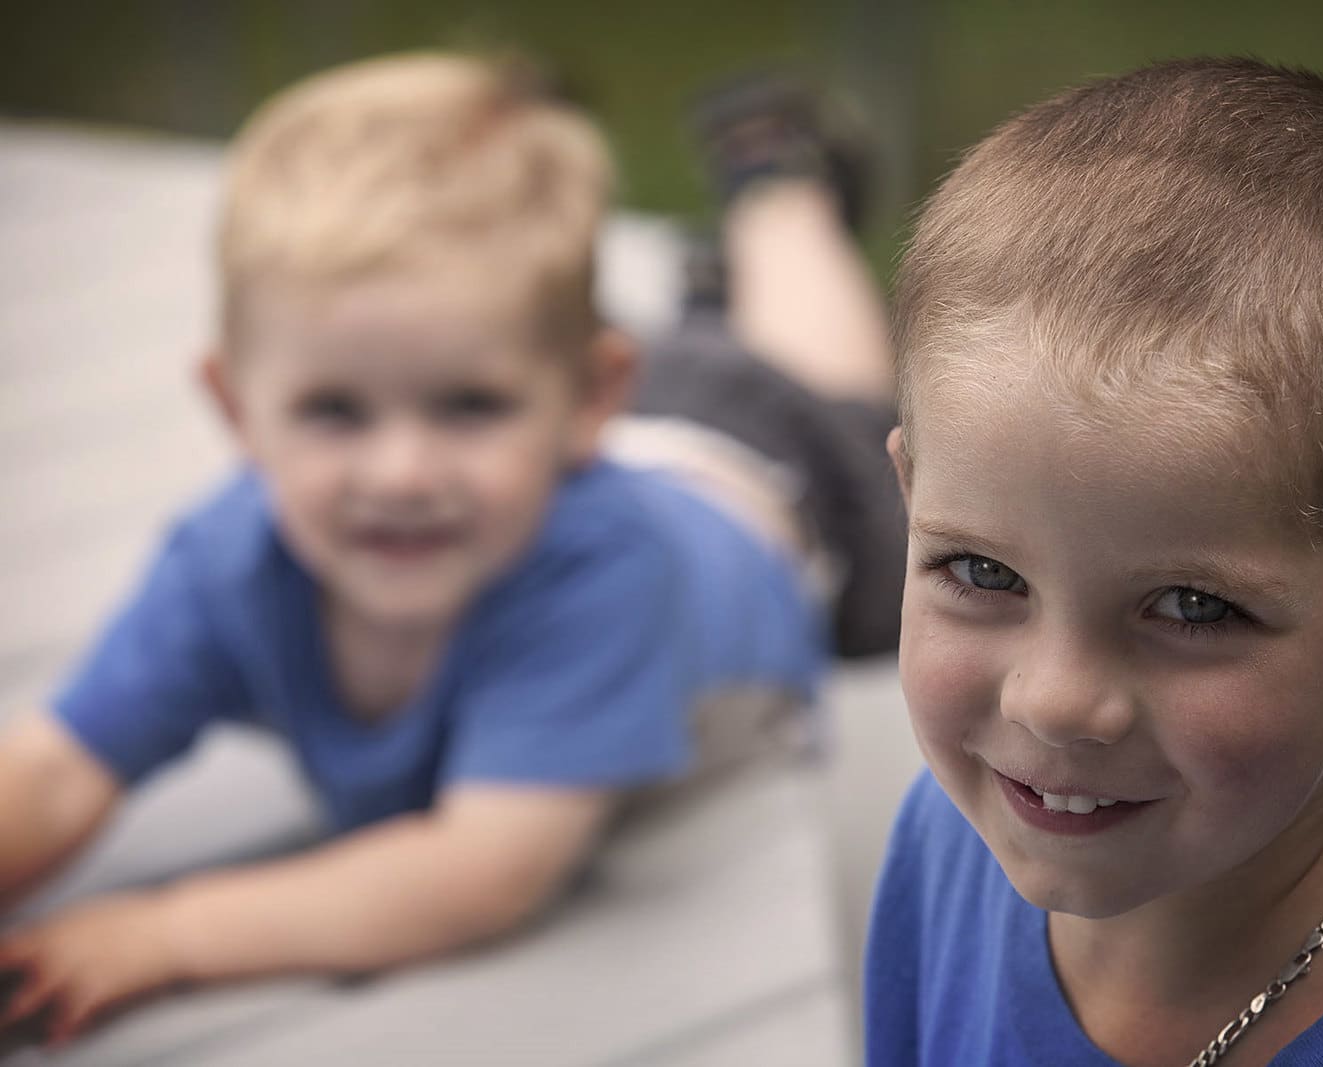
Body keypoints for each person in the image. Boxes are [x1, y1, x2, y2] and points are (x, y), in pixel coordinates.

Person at [0, 51, 895, 1046]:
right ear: (235, 407)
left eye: (467, 406)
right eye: (334, 410)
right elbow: (54, 772)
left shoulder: (601, 578)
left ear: (589, 398)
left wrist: (167, 931)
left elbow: (480, 870)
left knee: (831, 394)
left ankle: (777, 188)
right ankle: (700, 290)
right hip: (609, 441)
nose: (401, 473)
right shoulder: (229, 557)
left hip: (779, 497)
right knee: (684, 351)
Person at [864, 57, 1323, 1066]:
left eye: (1193, 605)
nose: (1055, 703)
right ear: (911, 506)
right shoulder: (951, 839)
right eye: (982, 572)